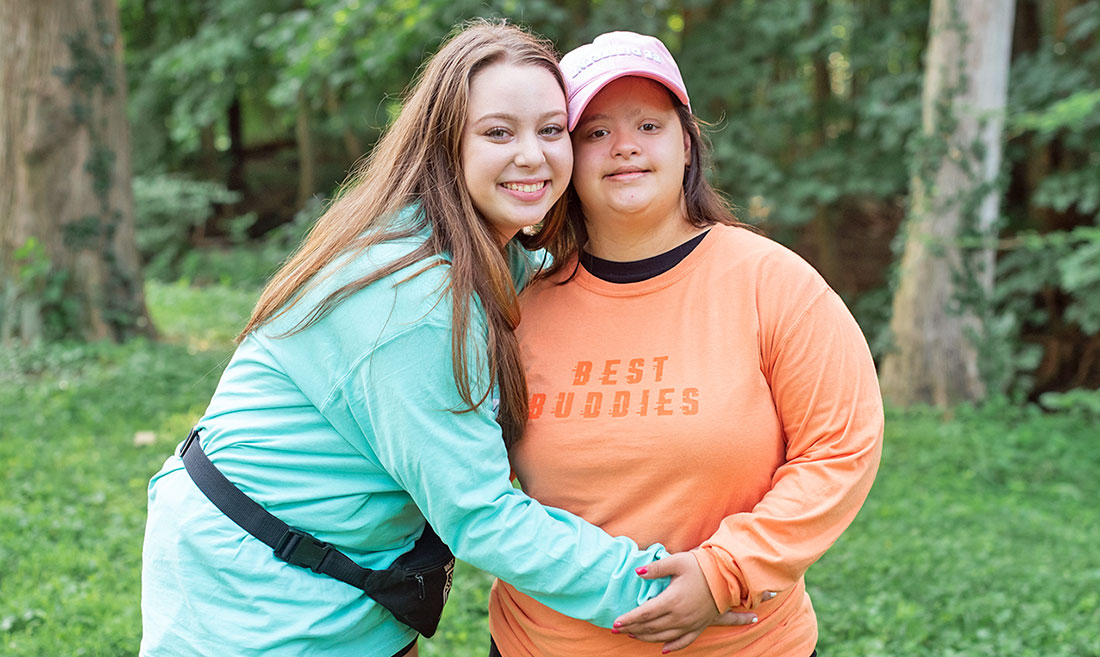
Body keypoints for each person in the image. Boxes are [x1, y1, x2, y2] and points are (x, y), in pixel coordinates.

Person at [139, 21, 717, 657]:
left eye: (552, 130)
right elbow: (481, 515)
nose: (532, 154)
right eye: (499, 132)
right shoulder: (413, 301)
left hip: (354, 565)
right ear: (447, 146)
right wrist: (664, 589)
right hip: (254, 579)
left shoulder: (492, 248)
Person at [487, 31, 884, 656]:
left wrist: (727, 571)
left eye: (649, 125)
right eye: (594, 131)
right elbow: (478, 488)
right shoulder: (518, 310)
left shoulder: (773, 283)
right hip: (543, 644)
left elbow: (839, 450)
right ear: (563, 156)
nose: (624, 147)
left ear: (687, 144)